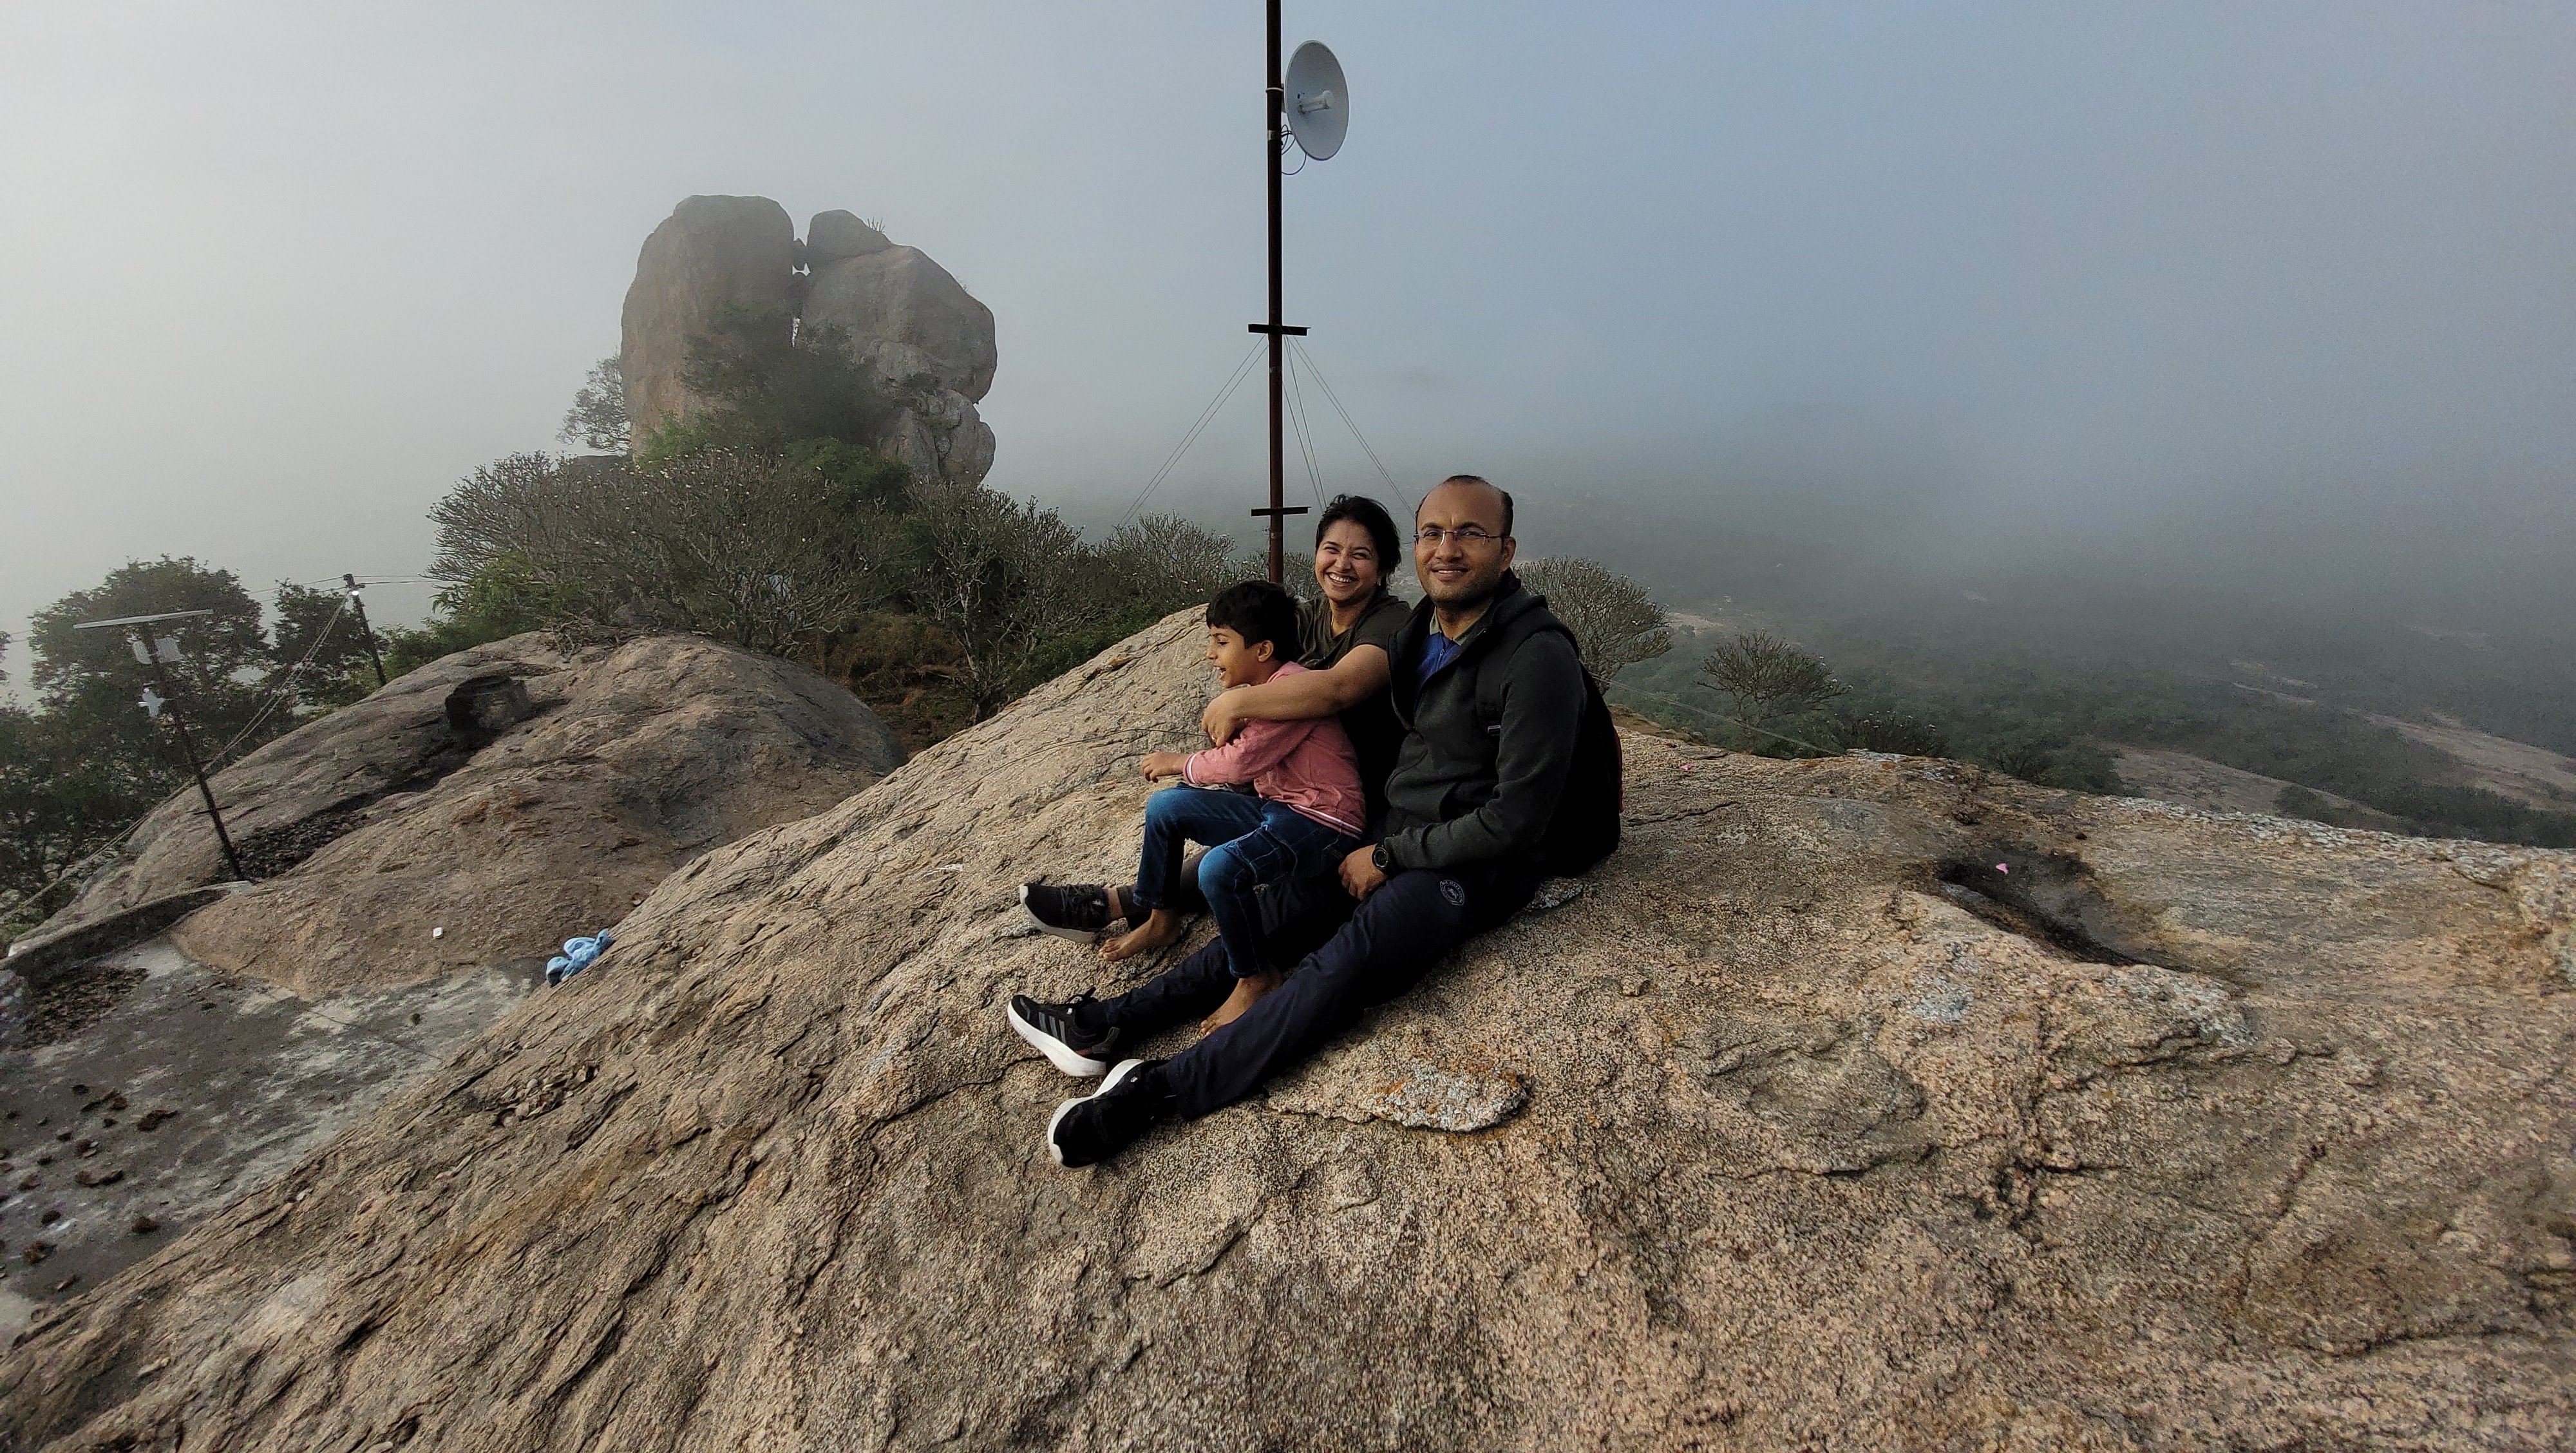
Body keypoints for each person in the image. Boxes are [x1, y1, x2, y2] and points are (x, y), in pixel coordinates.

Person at [1009, 475, 1590, 1168]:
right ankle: (1104, 1025)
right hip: (1394, 825)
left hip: (1473, 862)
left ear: (1506, 549)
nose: (1448, 548)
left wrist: (1390, 856)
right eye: (1434, 532)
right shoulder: (1426, 632)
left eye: (1470, 533)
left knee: (1340, 966)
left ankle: (1162, 1089)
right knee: (1275, 912)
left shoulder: (1536, 658)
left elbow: (1517, 820)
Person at [1016, 580, 1366, 1050]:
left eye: (1221, 642)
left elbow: (1241, 763)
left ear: (1262, 649)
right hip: (1282, 810)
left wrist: (1179, 762)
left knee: (1221, 870)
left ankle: (1256, 976)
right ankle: (1162, 917)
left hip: (1325, 825)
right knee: (1167, 806)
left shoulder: (1290, 694)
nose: (1210, 654)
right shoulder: (1262, 691)